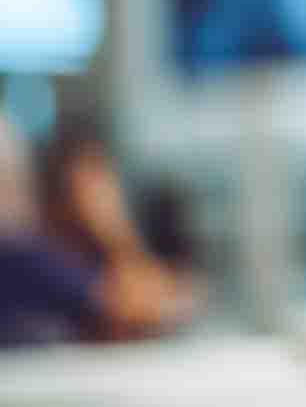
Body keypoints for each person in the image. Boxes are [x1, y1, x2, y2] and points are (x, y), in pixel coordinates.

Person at [1, 114, 199, 345]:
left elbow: (176, 295)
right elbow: (140, 309)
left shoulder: (80, 256)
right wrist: (116, 231)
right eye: (95, 180)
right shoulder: (26, 256)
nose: (108, 193)